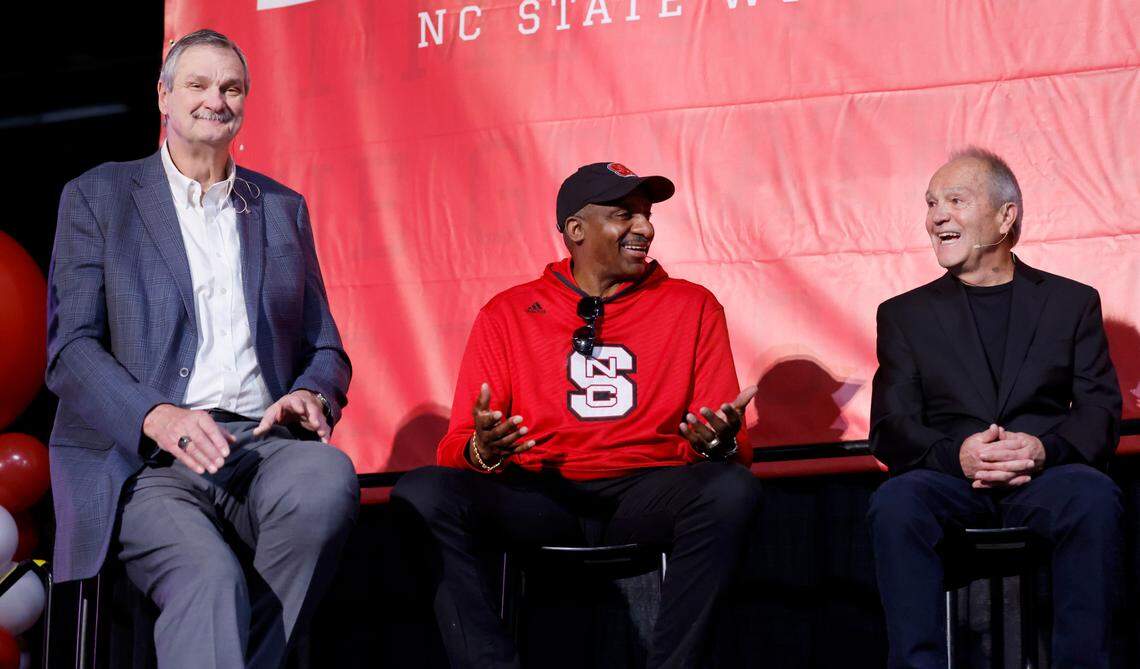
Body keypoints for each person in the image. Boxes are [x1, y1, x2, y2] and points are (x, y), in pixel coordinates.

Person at [46, 29, 359, 668]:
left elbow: (325, 346)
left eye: (231, 87)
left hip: (260, 447)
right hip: (145, 462)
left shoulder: (281, 207)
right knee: (207, 577)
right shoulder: (100, 197)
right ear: (163, 97)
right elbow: (70, 348)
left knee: (328, 478)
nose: (215, 99)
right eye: (197, 84)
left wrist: (308, 391)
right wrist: (156, 417)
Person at [392, 162, 762, 668]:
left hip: (647, 494)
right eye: (624, 215)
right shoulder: (508, 313)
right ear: (576, 230)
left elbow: (731, 448)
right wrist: (484, 449)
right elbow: (455, 445)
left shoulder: (692, 306)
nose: (645, 228)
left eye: (647, 215)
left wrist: (716, 442)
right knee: (422, 493)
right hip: (542, 496)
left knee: (730, 490)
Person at [867, 147, 1123, 668]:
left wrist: (1043, 450)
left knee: (1095, 498)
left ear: (1006, 217)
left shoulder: (1072, 303)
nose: (937, 215)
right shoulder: (903, 315)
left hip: (1045, 475)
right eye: (931, 203)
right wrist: (955, 455)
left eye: (955, 200)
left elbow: (1100, 411)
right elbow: (891, 428)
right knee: (896, 504)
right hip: (948, 480)